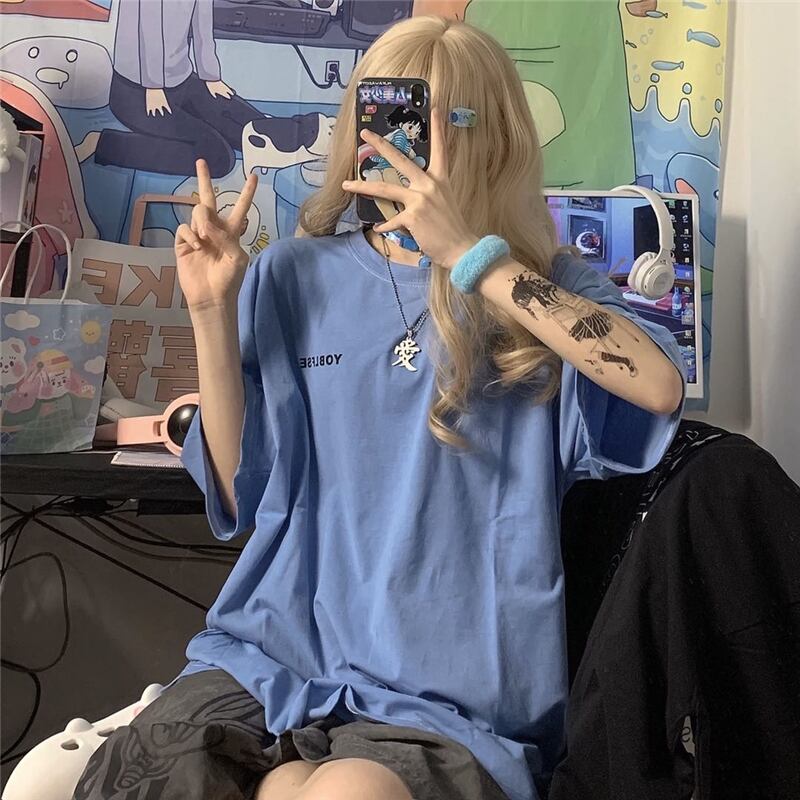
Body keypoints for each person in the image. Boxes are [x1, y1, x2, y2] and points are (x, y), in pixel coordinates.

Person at [72, 16, 686, 800]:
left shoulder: (543, 288)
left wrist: (472, 257)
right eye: (382, 113)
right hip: (271, 654)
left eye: (427, 119)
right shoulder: (293, 274)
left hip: (449, 692)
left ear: (490, 135)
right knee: (149, 779)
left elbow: (657, 386)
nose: (399, 141)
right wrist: (210, 312)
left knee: (342, 793)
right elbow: (236, 486)